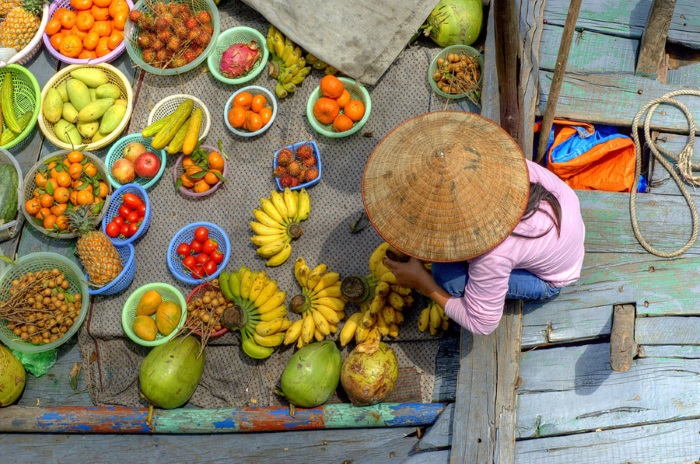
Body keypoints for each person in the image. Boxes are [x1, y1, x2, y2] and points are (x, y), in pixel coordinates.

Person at [361, 111, 585, 336]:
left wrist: (423, 284)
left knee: (447, 277)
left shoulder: (493, 253)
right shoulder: (501, 161)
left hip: (551, 277)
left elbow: (482, 325)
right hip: (563, 221)